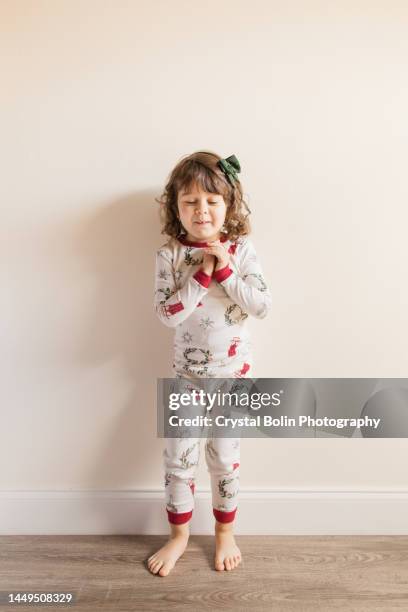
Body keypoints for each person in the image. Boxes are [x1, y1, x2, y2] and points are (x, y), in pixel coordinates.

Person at [147, 151, 272, 576]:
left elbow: (261, 305)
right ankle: (179, 535)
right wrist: (201, 275)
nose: (202, 210)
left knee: (224, 458)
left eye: (212, 201)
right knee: (178, 459)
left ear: (229, 205)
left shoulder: (242, 251)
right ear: (176, 207)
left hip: (233, 380)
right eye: (190, 202)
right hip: (185, 380)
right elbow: (167, 315)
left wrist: (224, 272)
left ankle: (224, 532)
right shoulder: (169, 256)